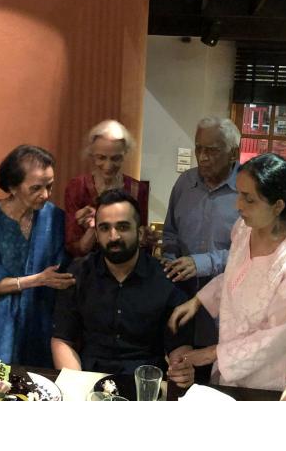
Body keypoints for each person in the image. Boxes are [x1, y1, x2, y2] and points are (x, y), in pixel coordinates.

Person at [169, 153, 286, 391]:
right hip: (230, 359)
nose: (238, 205)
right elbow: (235, 277)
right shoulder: (244, 230)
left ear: (278, 206)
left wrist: (210, 354)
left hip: (271, 378)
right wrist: (198, 301)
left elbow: (275, 338)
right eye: (239, 194)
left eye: (249, 199)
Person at [51, 189, 194, 387]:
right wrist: (76, 386)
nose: (114, 236)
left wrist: (182, 368)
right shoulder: (78, 274)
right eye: (104, 228)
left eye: (123, 227)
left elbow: (179, 345)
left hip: (146, 383)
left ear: (140, 233)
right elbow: (62, 339)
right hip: (88, 379)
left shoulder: (166, 279)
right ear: (96, 234)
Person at [0, 145, 74, 367]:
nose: (45, 195)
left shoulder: (54, 217)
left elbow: (66, 269)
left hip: (41, 319)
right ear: (13, 187)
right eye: (36, 188)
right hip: (0, 321)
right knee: (0, 381)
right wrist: (37, 279)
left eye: (49, 186)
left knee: (41, 381)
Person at [162, 116, 242, 362]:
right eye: (199, 148)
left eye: (212, 150)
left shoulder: (247, 191)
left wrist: (202, 263)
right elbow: (170, 233)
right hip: (183, 297)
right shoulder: (185, 183)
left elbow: (251, 253)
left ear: (233, 153)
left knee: (218, 368)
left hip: (228, 304)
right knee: (182, 367)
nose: (202, 157)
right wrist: (169, 259)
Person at [64, 119, 149, 257]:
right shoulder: (77, 187)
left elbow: (140, 241)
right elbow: (75, 248)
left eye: (115, 158)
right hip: (87, 265)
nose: (108, 166)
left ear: (125, 155)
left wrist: (145, 237)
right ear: (92, 155)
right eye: (101, 158)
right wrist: (93, 227)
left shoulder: (137, 189)